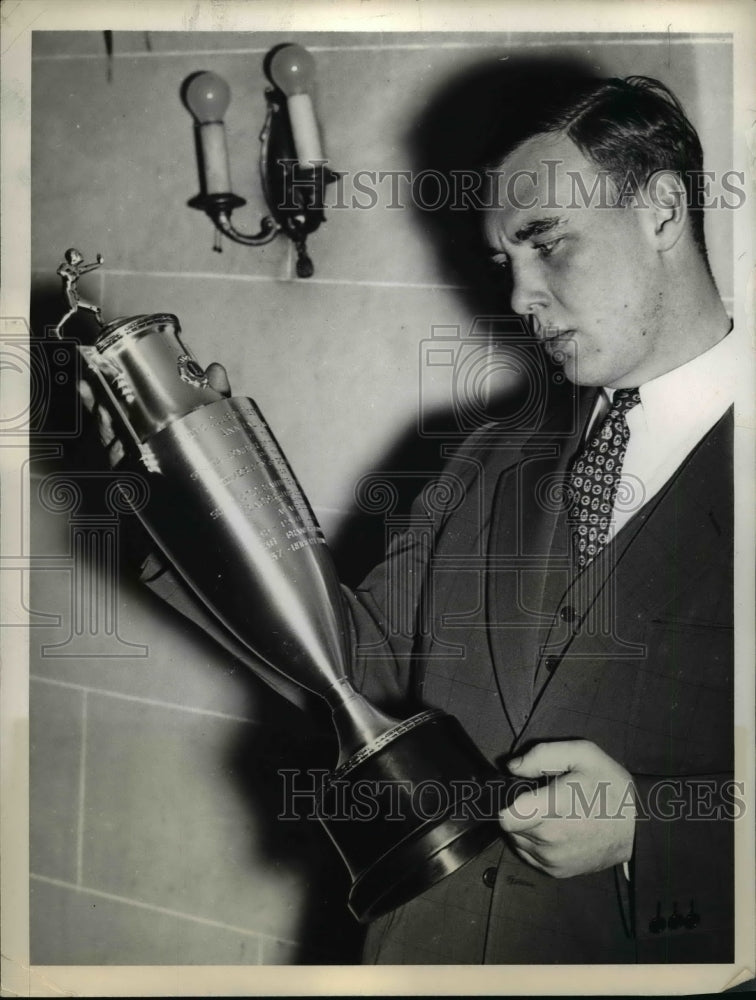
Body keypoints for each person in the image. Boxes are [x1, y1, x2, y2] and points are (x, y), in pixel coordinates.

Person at [83, 74, 736, 964]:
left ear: (661, 209)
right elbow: (354, 672)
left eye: (548, 243)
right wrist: (190, 501)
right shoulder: (487, 456)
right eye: (507, 260)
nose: (519, 297)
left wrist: (649, 834)